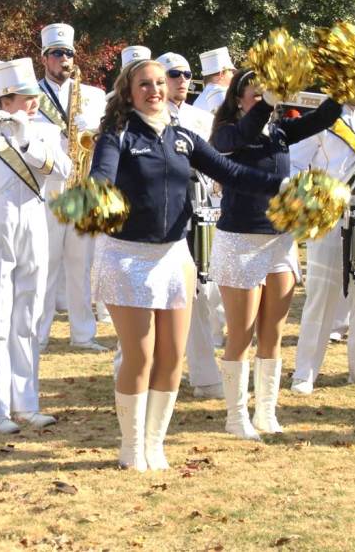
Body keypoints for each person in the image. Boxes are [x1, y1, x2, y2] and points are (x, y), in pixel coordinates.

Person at [90, 59, 286, 471]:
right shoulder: (117, 135)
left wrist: (280, 185)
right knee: (140, 356)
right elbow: (102, 175)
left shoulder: (183, 138)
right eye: (145, 84)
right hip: (127, 257)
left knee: (172, 357)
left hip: (173, 256)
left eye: (160, 83)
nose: (155, 90)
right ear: (128, 92)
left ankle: (155, 443)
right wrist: (97, 194)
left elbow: (229, 169)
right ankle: (131, 447)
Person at [210, 70, 342, 439]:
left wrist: (342, 90)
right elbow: (241, 136)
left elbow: (323, 118)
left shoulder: (280, 132)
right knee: (241, 332)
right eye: (256, 94)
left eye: (269, 94)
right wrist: (263, 105)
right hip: (240, 241)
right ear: (238, 99)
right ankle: (236, 416)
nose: (266, 100)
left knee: (273, 332)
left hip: (279, 242)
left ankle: (266, 411)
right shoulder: (227, 133)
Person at [0, 58, 71, 433]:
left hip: (34, 223)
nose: (33, 102)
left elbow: (63, 171)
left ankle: (27, 402)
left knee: (27, 316)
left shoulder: (44, 132)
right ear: (4, 100)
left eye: (34, 95)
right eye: (24, 97)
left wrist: (24, 138)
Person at [289, 87, 355, 394]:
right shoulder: (320, 119)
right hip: (330, 217)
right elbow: (295, 165)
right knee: (322, 294)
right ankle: (305, 372)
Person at [155, 52, 223, 399]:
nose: (181, 80)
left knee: (202, 291)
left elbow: (218, 162)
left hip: (203, 209)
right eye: (174, 74)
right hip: (164, 210)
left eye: (186, 74)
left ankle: (205, 376)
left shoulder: (201, 116)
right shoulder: (147, 118)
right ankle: (136, 366)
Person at [36, 23, 107, 352]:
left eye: (68, 54)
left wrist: (91, 129)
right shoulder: (32, 95)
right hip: (48, 187)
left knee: (82, 264)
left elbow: (106, 137)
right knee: (46, 264)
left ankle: (82, 333)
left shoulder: (92, 95)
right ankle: (39, 332)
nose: (63, 59)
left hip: (81, 185)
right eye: (56, 54)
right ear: (44, 58)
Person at [192, 47, 236, 114]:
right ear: (221, 74)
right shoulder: (225, 95)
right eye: (231, 71)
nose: (233, 75)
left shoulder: (197, 101)